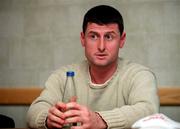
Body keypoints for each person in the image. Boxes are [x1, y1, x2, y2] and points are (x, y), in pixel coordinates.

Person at [27, 5, 159, 129]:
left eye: (109, 36)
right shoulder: (63, 75)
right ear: (83, 39)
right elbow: (35, 111)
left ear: (122, 40)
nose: (101, 46)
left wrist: (99, 120)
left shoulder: (140, 75)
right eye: (93, 36)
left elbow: (149, 111)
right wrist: (48, 119)